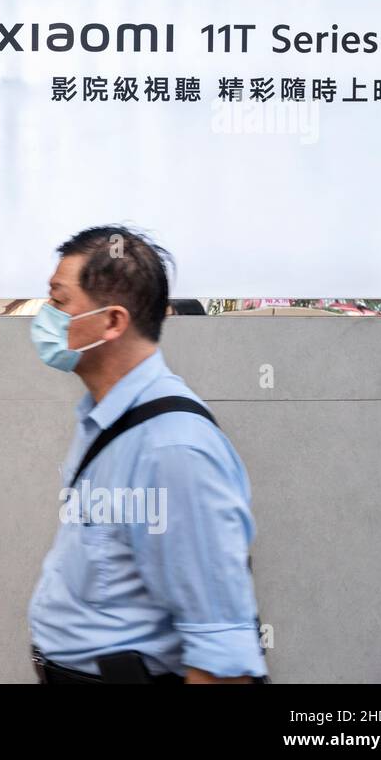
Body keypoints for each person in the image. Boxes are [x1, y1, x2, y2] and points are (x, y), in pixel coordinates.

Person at [26, 226, 268, 684]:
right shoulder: (106, 418)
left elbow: (222, 656)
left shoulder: (173, 449)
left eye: (59, 301)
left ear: (113, 322)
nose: (45, 316)